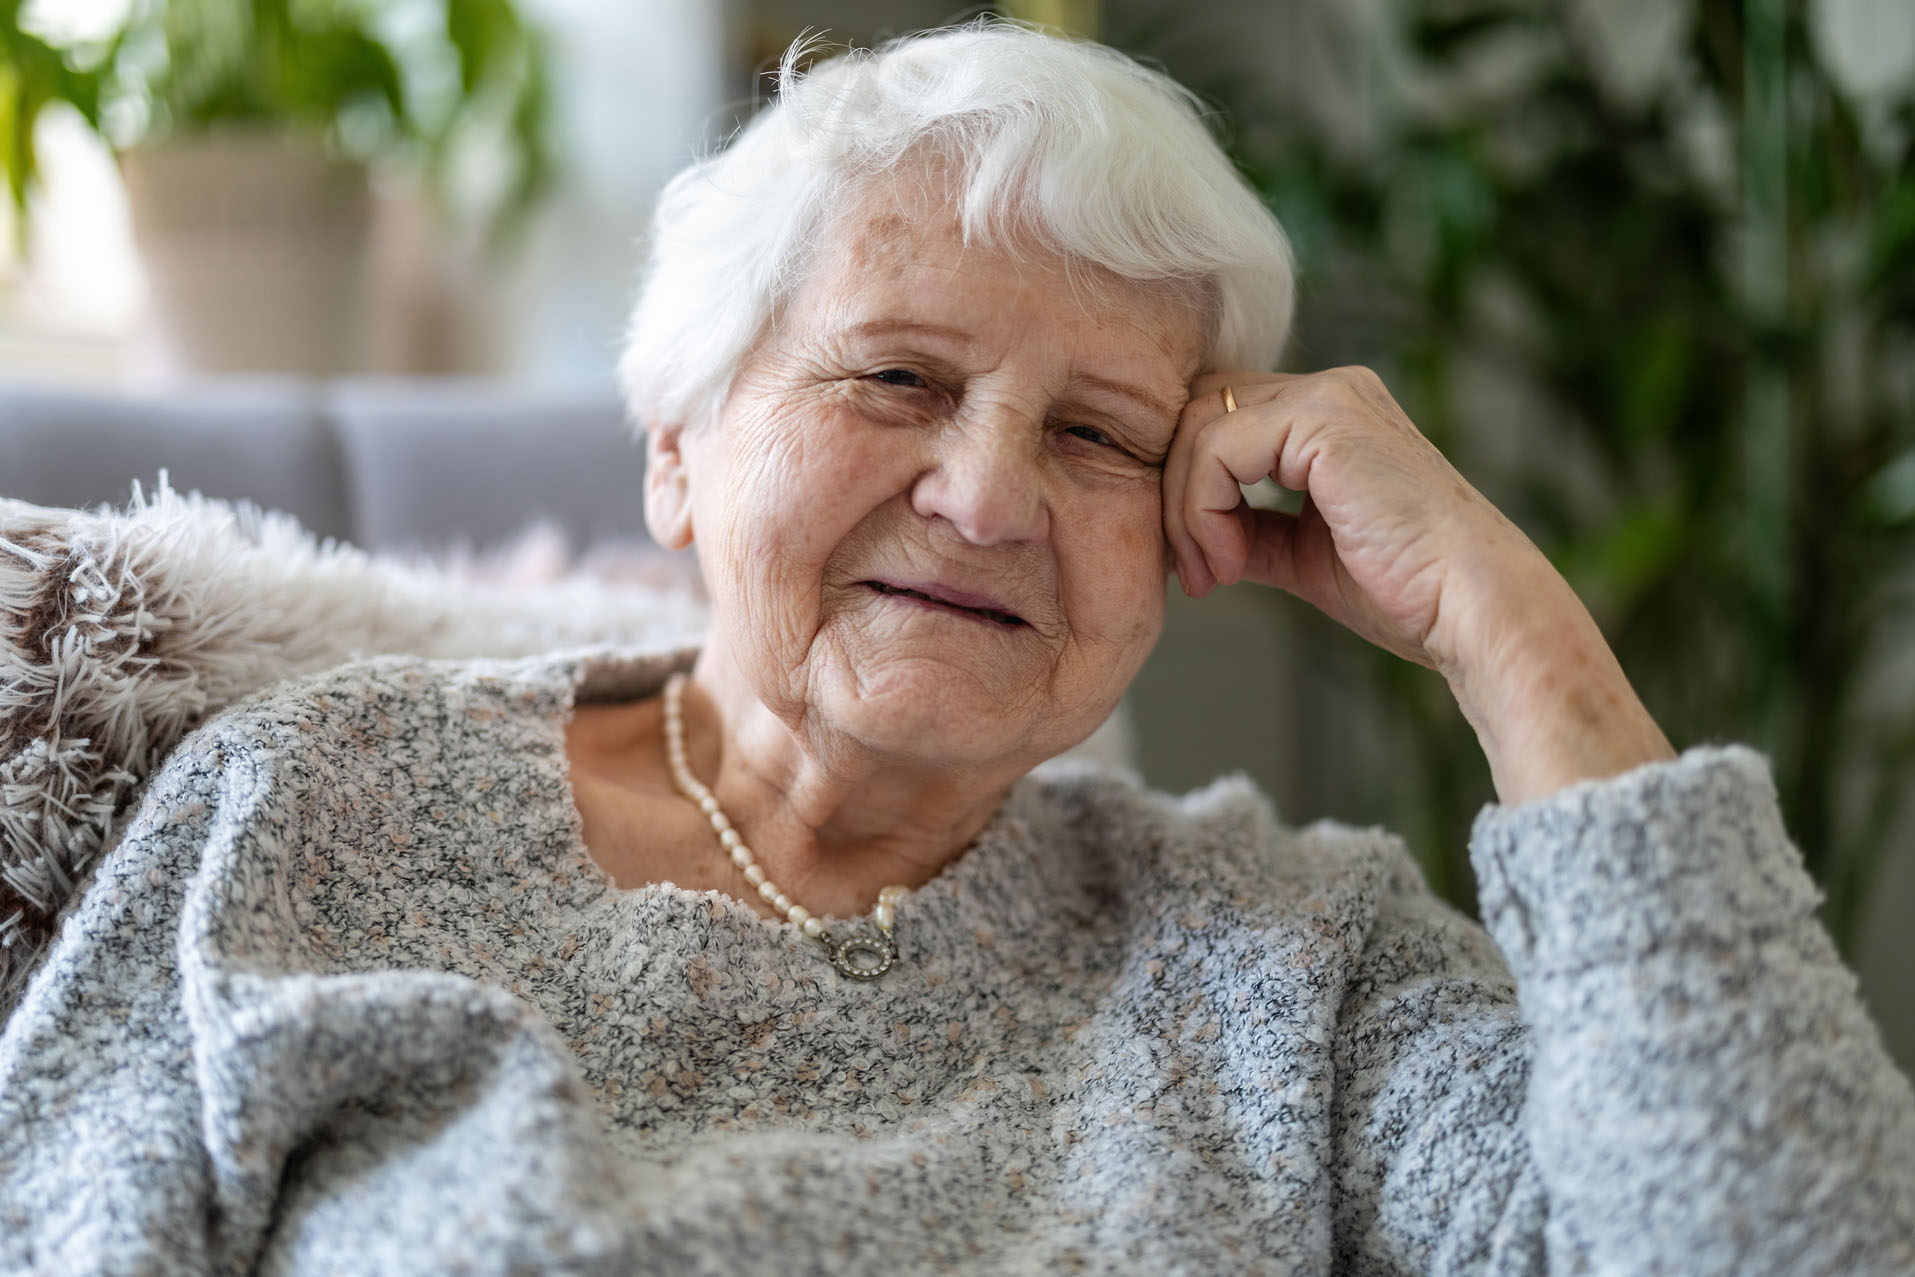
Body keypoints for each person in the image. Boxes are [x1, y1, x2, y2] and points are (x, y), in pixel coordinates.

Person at [2, 20, 1912, 1274]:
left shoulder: (1288, 963)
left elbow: (1782, 1243)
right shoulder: (315, 803)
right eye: (898, 378)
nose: (991, 497)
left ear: (1198, 525)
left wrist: (1515, 631)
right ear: (679, 452)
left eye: (1102, 435)